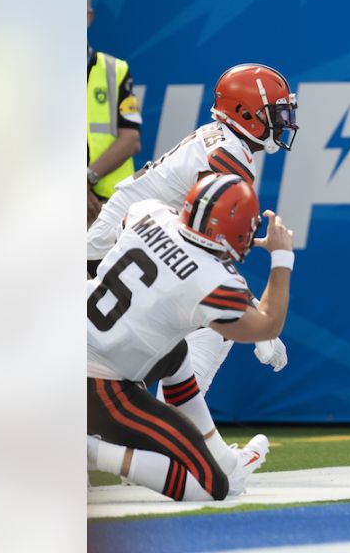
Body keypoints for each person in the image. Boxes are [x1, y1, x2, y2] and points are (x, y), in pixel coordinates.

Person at [86, 64, 298, 415]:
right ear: (246, 114)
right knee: (219, 322)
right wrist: (262, 327)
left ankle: (162, 430)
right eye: (274, 113)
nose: (283, 121)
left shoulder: (224, 140)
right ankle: (172, 426)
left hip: (128, 245)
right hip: (120, 248)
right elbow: (207, 254)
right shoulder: (228, 157)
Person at [87, 174, 294, 499]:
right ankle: (88, 451)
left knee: (176, 354)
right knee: (211, 486)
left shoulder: (149, 211)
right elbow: (268, 324)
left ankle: (224, 458)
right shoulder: (212, 280)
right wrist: (282, 257)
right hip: (99, 384)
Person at [87, 0, 142, 225]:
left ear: (88, 17)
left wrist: (86, 180)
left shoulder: (116, 70)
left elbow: (130, 140)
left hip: (103, 210)